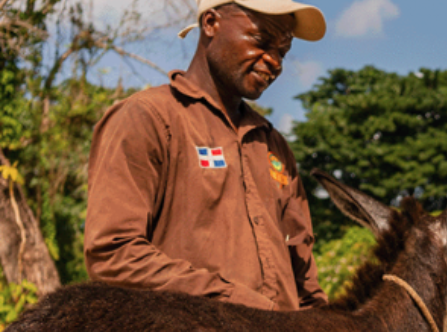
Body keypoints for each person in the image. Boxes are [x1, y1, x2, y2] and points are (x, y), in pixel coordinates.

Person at [84, 0, 328, 311]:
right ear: (211, 23)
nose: (275, 62)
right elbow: (113, 254)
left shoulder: (274, 146)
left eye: (283, 51)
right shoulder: (148, 118)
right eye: (262, 41)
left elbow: (306, 285)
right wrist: (236, 303)